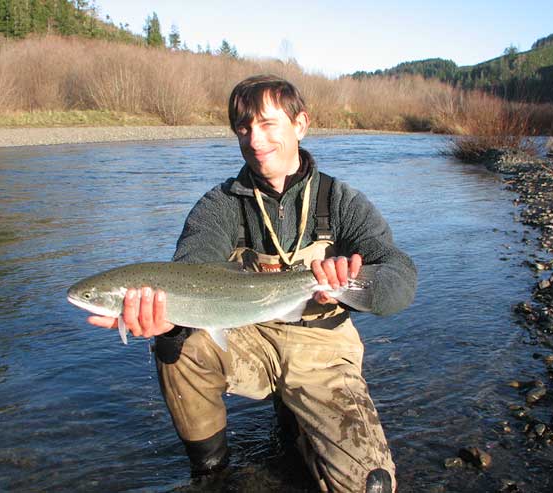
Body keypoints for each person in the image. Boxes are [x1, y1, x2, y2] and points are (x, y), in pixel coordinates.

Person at [88, 74, 417, 492]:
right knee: (178, 347)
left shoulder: (341, 202)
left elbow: (399, 274)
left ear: (300, 124)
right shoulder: (218, 206)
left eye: (267, 124)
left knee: (368, 486)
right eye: (243, 128)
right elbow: (191, 271)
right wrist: (168, 324)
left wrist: (356, 289)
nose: (254, 140)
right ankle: (211, 472)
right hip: (247, 337)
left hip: (322, 349)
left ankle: (299, 422)